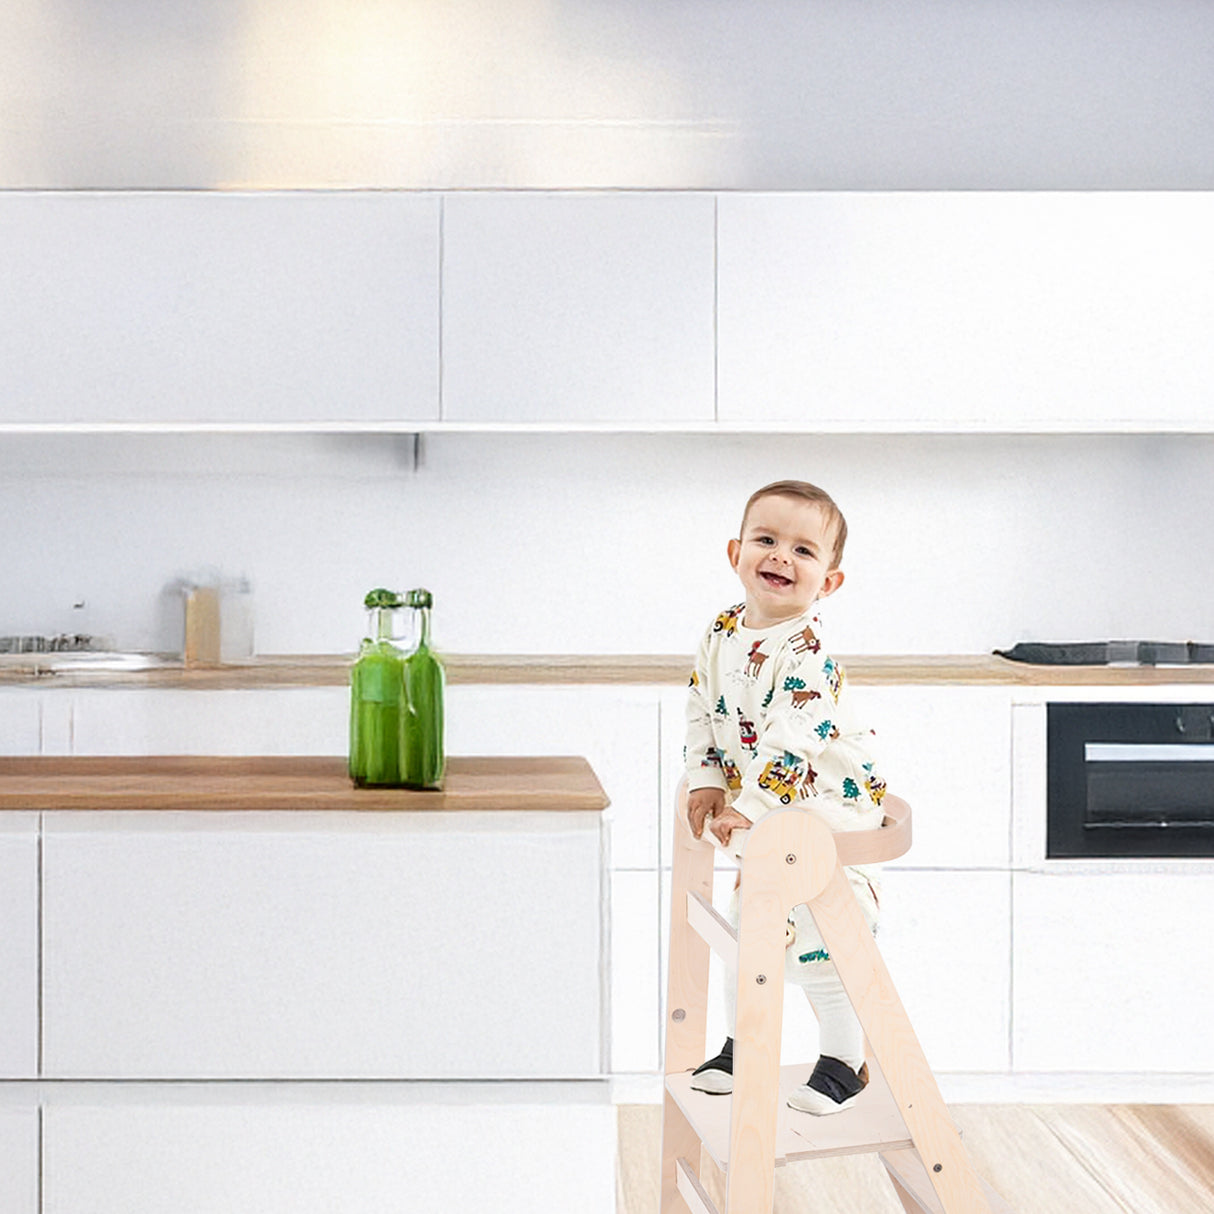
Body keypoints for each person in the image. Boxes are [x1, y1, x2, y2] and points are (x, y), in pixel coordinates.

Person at [684, 479, 886, 1115]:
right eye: (766, 539)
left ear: (829, 582)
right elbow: (701, 707)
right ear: (735, 552)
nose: (780, 556)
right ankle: (744, 1044)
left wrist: (750, 806)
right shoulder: (722, 631)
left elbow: (792, 741)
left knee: (824, 940)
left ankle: (844, 1059)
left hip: (824, 811)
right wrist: (707, 777)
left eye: (803, 550)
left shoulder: (808, 653)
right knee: (748, 930)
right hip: (768, 815)